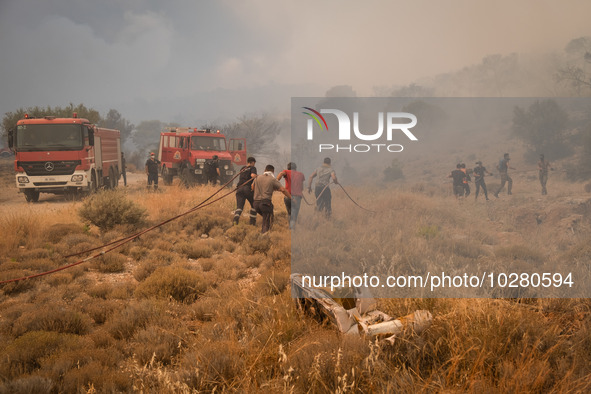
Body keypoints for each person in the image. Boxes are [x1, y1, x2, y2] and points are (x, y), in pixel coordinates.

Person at [252, 164, 291, 233]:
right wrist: (291, 198)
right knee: (268, 219)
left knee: (266, 217)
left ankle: (263, 232)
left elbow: (252, 187)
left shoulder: (257, 178)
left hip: (256, 204)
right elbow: (283, 189)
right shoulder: (272, 179)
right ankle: (265, 235)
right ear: (273, 171)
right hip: (265, 203)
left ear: (265, 170)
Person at [278, 162, 306, 229]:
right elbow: (302, 187)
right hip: (297, 197)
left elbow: (281, 173)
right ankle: (292, 229)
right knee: (294, 214)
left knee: (290, 213)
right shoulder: (301, 174)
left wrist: (277, 180)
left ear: (288, 168)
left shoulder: (286, 172)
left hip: (287, 197)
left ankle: (290, 229)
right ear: (295, 168)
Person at [233, 156, 258, 225]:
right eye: (254, 163)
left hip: (239, 188)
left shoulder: (243, 168)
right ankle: (252, 223)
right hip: (247, 188)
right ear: (253, 162)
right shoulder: (253, 168)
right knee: (254, 205)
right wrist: (257, 176)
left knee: (239, 207)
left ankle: (235, 220)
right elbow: (253, 175)